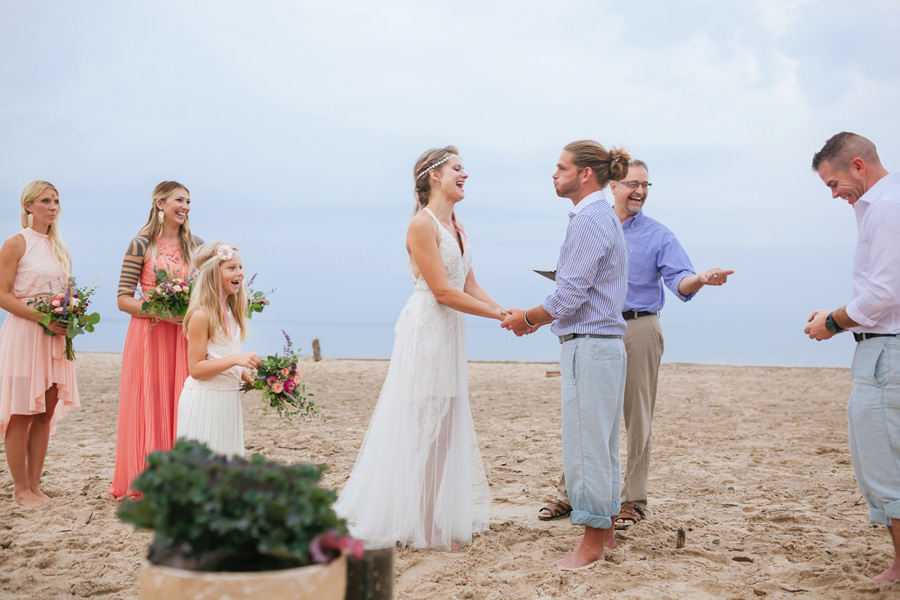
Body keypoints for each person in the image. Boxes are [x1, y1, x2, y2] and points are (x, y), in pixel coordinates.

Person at [537, 160, 733, 529]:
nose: (640, 191)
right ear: (612, 186)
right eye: (632, 183)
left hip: (639, 328)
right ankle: (570, 493)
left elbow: (680, 281)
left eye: (646, 185)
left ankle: (633, 500)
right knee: (587, 416)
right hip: (594, 329)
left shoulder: (659, 235)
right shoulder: (596, 223)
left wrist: (702, 279)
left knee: (637, 417)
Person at [334, 146, 503, 551]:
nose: (465, 175)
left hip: (450, 330)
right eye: (458, 169)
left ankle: (426, 518)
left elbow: (468, 284)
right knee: (424, 427)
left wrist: (505, 310)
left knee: (443, 431)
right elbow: (443, 291)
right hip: (428, 327)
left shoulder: (458, 227)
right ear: (434, 177)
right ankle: (422, 524)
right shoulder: (420, 225)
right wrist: (497, 318)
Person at [502, 140, 630, 570]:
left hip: (590, 347)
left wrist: (529, 318)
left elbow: (570, 294)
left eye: (561, 168)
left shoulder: (591, 218)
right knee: (603, 443)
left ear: (586, 173)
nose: (554, 175)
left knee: (586, 446)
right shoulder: (598, 216)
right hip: (604, 347)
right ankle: (606, 532)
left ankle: (591, 544)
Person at [804, 132, 900, 583]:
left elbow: (885, 293)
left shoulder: (885, 208)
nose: (833, 193)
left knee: (885, 462)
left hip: (888, 351)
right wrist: (837, 316)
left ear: (858, 166)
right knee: (878, 458)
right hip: (880, 347)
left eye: (833, 183)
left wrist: (835, 322)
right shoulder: (878, 207)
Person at [109, 181, 200, 499]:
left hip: (184, 336)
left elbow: (205, 292)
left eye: (189, 201)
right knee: (151, 403)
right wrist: (160, 312)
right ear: (160, 203)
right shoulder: (141, 244)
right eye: (179, 199)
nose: (185, 206)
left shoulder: (196, 246)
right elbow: (122, 299)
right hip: (149, 335)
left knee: (184, 403)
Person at [0, 181, 80, 506]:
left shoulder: (59, 247)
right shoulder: (15, 244)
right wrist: (42, 318)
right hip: (25, 335)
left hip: (54, 338)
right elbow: (3, 296)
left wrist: (70, 316)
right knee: (22, 411)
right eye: (45, 200)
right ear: (28, 206)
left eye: (56, 200)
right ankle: (20, 490)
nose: (52, 206)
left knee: (45, 412)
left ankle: (34, 485)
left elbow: (66, 295)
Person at [176, 242, 260, 457]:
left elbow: (220, 357)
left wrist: (248, 376)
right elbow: (196, 369)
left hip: (227, 400)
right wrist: (235, 360)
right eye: (231, 268)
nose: (239, 274)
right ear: (213, 274)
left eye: (240, 268)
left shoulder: (232, 314)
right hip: (205, 401)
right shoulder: (201, 315)